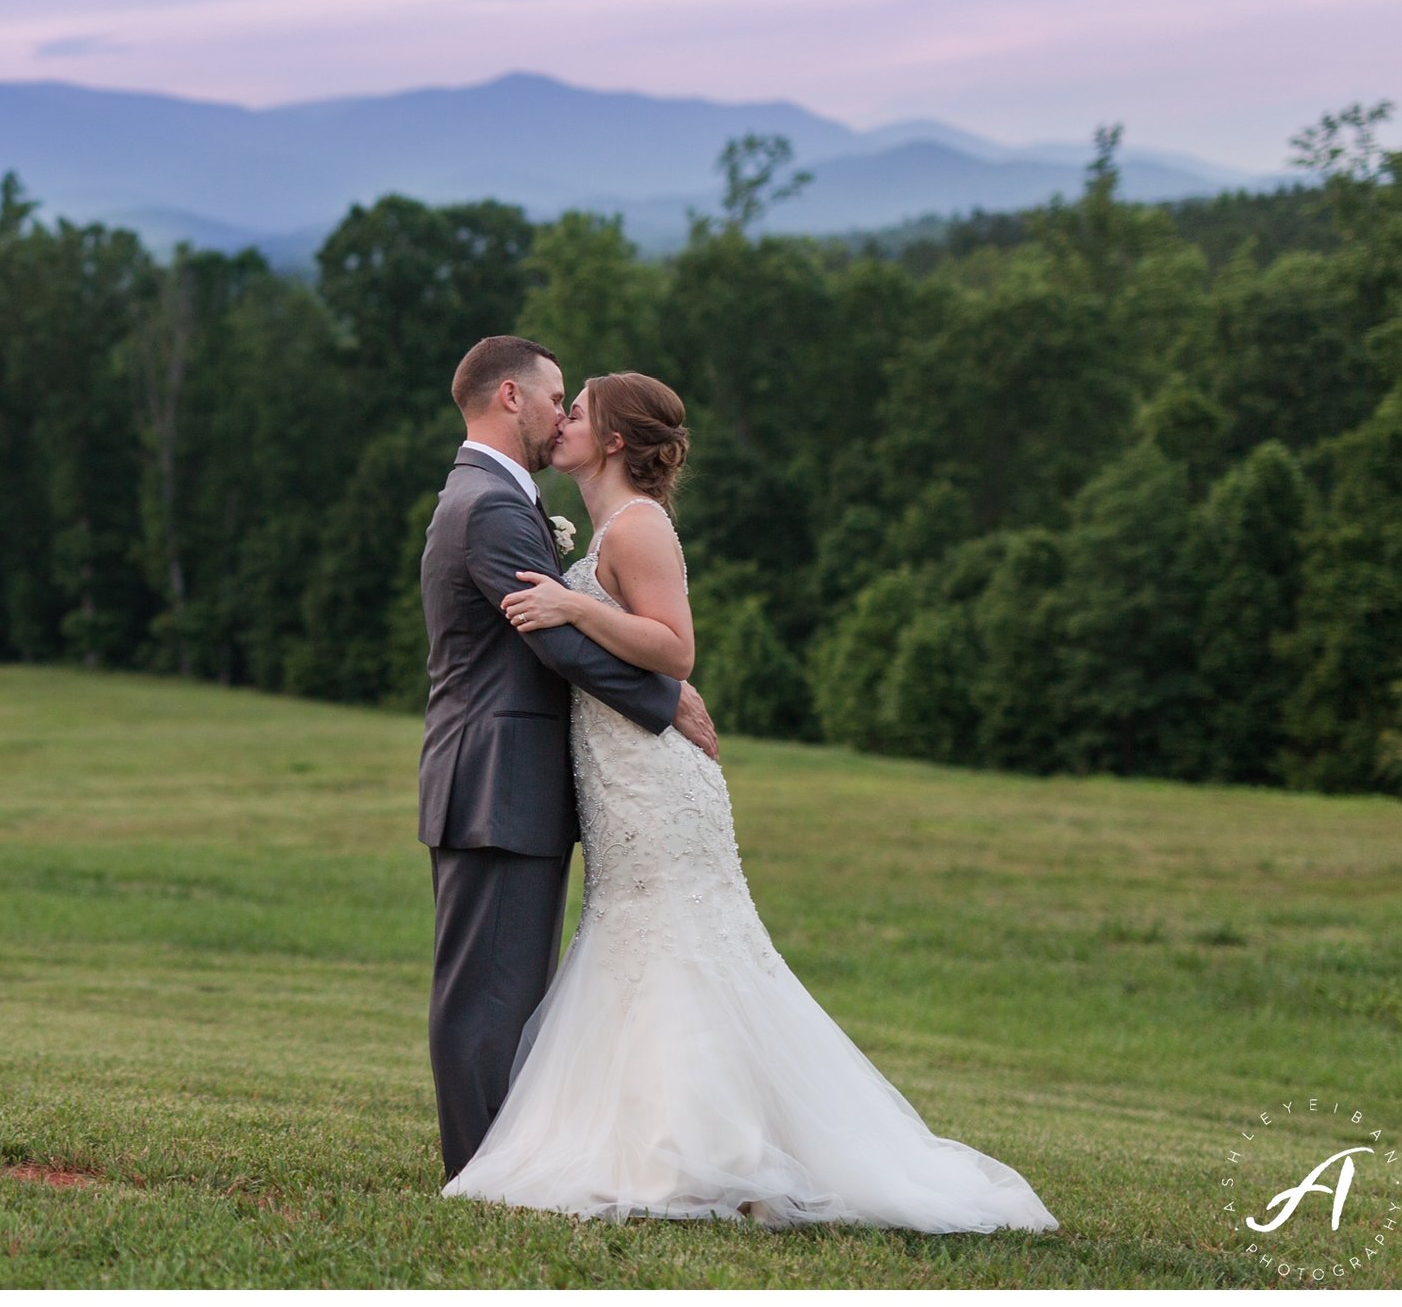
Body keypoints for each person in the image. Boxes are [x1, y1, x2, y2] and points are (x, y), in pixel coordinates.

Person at [439, 369, 1059, 1232]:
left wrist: (575, 606)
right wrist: (579, 604)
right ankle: (651, 1138)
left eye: (578, 408)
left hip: (654, 779)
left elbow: (675, 651)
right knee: (631, 945)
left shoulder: (642, 524)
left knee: (680, 944)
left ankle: (709, 1151)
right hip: (615, 771)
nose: (564, 417)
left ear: (615, 440)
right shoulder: (597, 521)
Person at [417, 336, 718, 1186]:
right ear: (511, 397)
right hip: (495, 782)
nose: (561, 415)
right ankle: (479, 1172)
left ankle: (502, 1161)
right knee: (490, 996)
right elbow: (554, 642)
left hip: (506, 780)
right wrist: (669, 700)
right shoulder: (491, 504)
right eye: (556, 397)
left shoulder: (493, 496)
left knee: (510, 992)